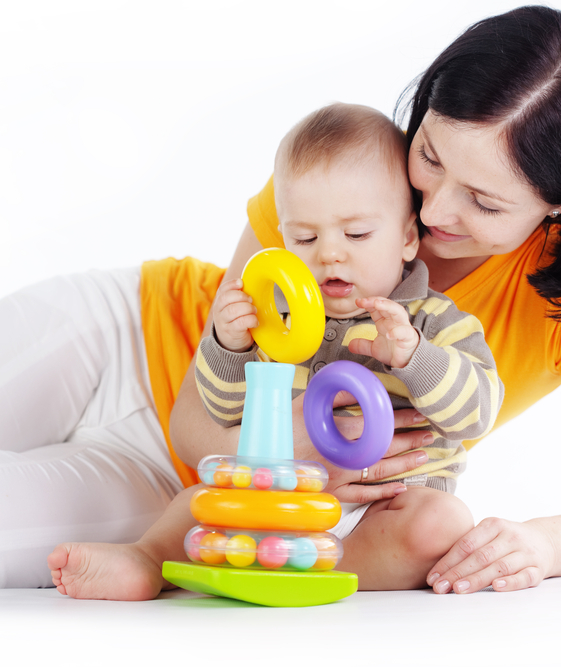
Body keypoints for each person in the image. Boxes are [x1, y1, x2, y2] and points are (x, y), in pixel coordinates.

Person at [0, 5, 561, 594]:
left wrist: (546, 544)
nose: (434, 208)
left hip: (202, 500)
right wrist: (305, 439)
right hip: (123, 345)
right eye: (432, 156)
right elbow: (192, 421)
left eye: (485, 202)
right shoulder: (353, 183)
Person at [46, 102, 504, 599]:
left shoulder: (436, 323)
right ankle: (147, 559)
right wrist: (230, 346)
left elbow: (476, 415)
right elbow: (226, 412)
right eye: (305, 238)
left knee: (441, 523)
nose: (330, 252)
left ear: (408, 238)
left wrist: (415, 357)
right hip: (283, 497)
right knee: (202, 498)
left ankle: (300, 568)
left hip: (388, 506)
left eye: (356, 234)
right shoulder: (279, 323)